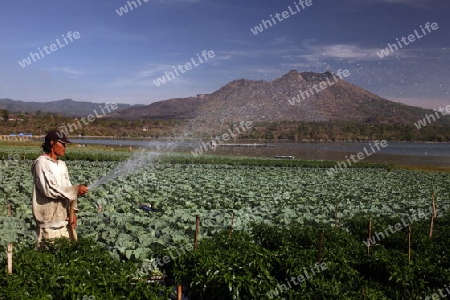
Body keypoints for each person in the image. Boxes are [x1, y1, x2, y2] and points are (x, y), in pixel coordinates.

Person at [31, 130, 88, 245]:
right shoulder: (41, 163)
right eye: (62, 143)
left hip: (64, 223)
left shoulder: (62, 165)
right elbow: (49, 189)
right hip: (48, 225)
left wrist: (73, 212)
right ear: (52, 143)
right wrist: (75, 190)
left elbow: (68, 188)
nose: (65, 147)